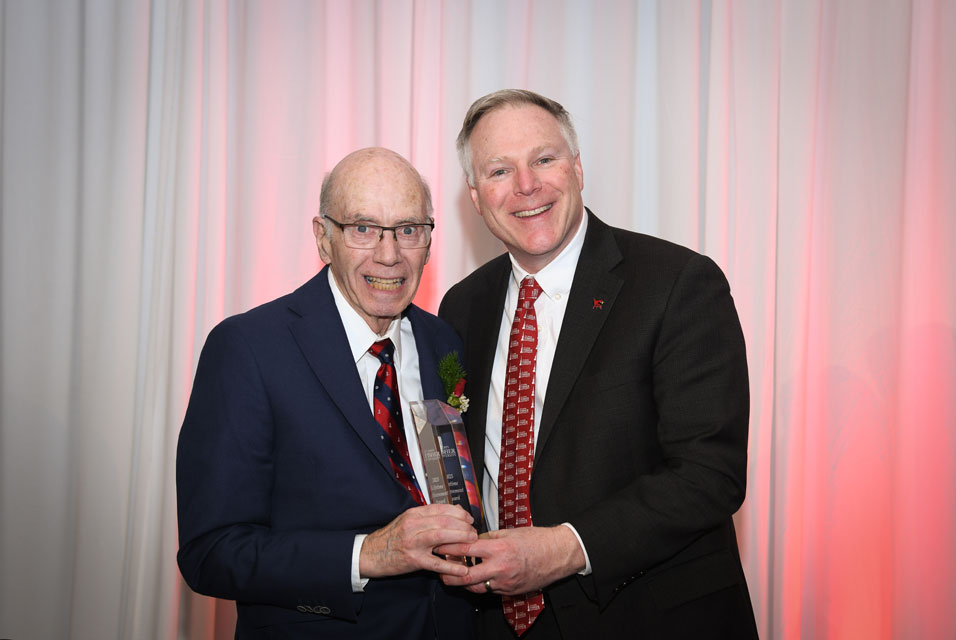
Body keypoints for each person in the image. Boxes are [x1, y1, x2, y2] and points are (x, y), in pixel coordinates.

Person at [436, 90, 758, 638]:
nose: (526, 185)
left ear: (578, 168)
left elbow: (710, 474)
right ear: (476, 196)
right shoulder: (462, 306)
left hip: (647, 618)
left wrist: (565, 548)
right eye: (499, 170)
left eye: (544, 159)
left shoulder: (677, 283)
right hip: (498, 621)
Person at [176, 147, 479, 639]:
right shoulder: (249, 348)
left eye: (408, 229)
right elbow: (211, 552)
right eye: (363, 228)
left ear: (428, 240)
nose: (389, 254)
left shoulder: (443, 341)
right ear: (323, 238)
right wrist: (368, 554)